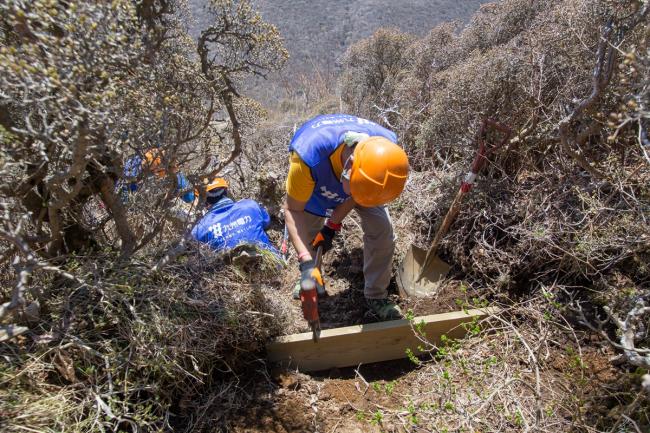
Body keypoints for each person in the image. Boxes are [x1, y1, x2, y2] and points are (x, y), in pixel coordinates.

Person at [284, 114, 409, 321]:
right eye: (355, 188)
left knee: (382, 231)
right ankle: (313, 278)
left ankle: (376, 296)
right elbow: (292, 210)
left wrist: (332, 225)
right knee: (309, 234)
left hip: (365, 183)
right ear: (350, 165)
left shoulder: (384, 153)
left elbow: (355, 195)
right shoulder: (308, 156)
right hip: (317, 184)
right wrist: (305, 261)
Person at [191, 177, 280, 258]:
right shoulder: (250, 205)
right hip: (273, 263)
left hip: (233, 274)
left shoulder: (200, 228)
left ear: (203, 200)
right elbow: (266, 223)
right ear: (226, 191)